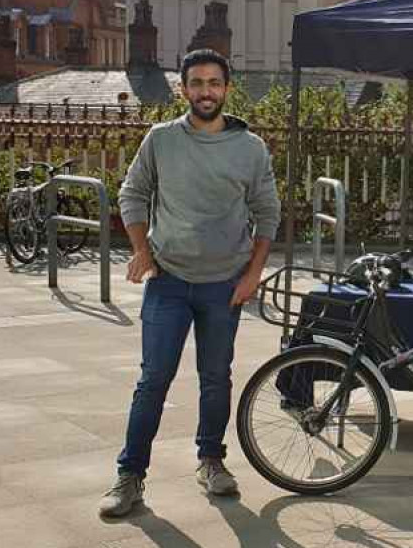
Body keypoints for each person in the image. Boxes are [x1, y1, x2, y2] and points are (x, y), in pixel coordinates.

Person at [98, 49, 281, 518]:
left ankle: (211, 461)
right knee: (153, 379)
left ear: (227, 89)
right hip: (170, 281)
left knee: (216, 378)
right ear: (183, 89)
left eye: (214, 83)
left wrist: (253, 274)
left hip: (226, 284)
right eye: (196, 82)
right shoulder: (161, 140)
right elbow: (132, 193)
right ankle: (129, 475)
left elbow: (267, 213)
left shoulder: (250, 148)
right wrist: (141, 249)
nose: (205, 91)